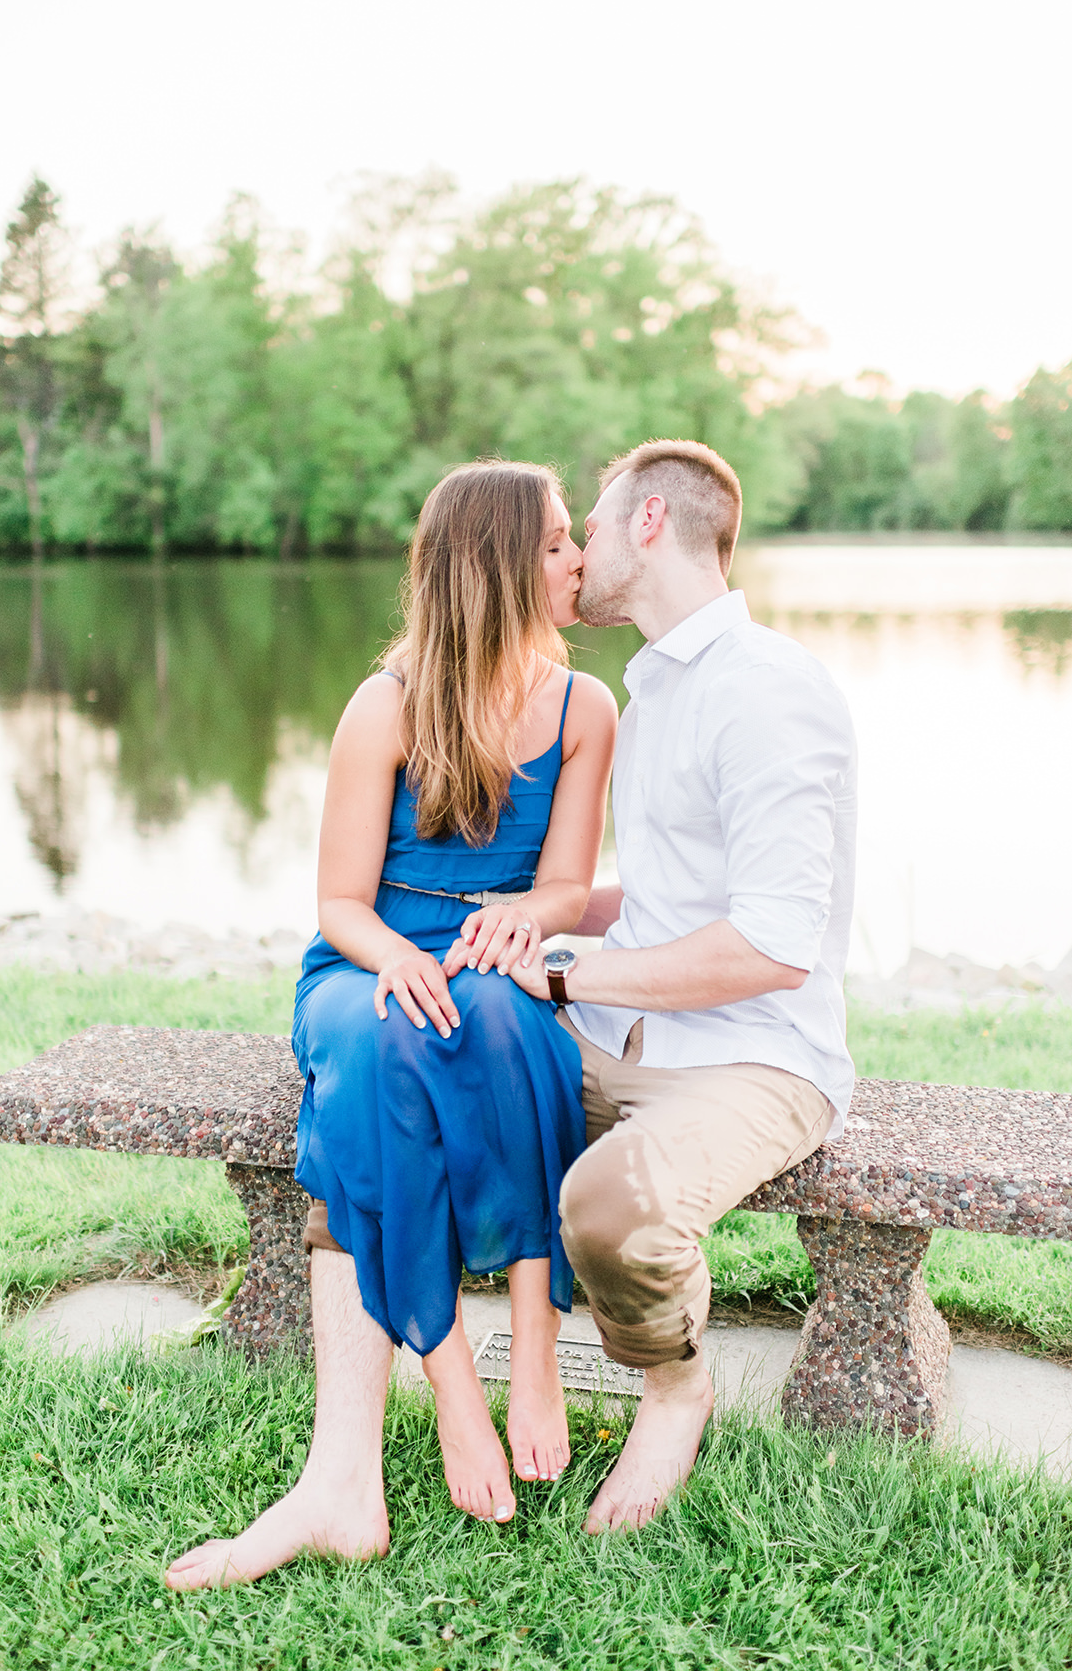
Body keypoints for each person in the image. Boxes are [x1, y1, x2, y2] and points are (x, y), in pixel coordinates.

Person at [166, 462, 617, 1588]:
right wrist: (401, 957)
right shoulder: (389, 701)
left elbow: (567, 886)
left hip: (499, 954)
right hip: (372, 957)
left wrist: (519, 922)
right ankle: (451, 1384)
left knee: (514, 1034)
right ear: (503, 564)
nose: (579, 561)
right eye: (561, 544)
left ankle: (539, 1359)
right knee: (379, 1050)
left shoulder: (584, 707)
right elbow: (337, 903)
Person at [491, 438, 857, 1534]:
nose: (579, 551)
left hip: (752, 1055)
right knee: (431, 1053)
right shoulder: (653, 688)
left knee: (608, 1210)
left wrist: (569, 978)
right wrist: (539, 916)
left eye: (589, 527)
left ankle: (674, 1384)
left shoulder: (767, 692)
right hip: (625, 1032)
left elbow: (771, 946)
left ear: (647, 523)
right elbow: (669, 892)